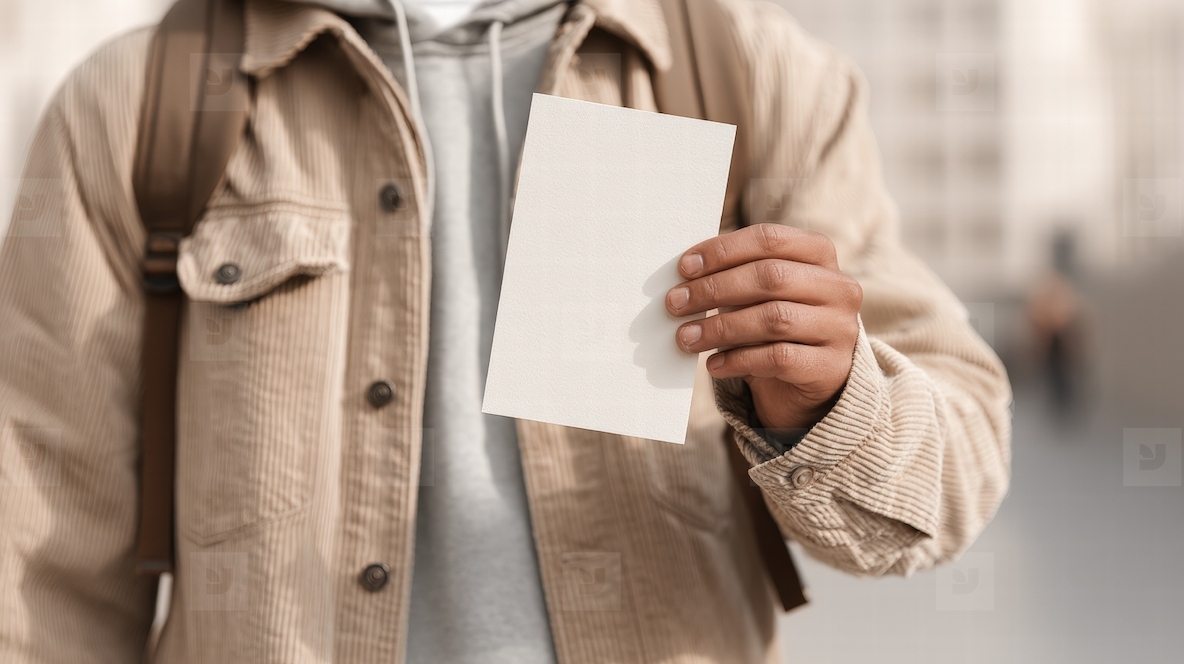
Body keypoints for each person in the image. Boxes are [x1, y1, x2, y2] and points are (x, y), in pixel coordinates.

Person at [0, 0, 1012, 662]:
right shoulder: (135, 104)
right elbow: (36, 562)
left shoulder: (750, 70)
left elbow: (935, 500)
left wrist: (831, 402)